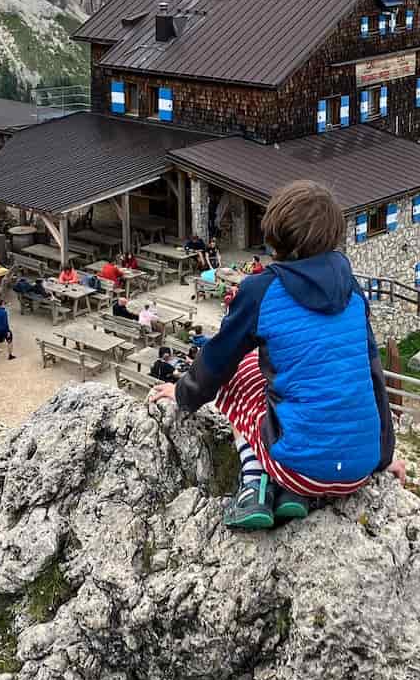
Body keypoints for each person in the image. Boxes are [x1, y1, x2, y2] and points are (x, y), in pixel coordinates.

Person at [150, 180, 405, 530]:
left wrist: (181, 394)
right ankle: (293, 493)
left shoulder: (262, 290)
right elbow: (374, 375)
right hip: (359, 470)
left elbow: (217, 360)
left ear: (274, 236)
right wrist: (383, 455)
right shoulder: (351, 289)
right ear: (333, 237)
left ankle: (255, 484)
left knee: (235, 376)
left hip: (301, 471)